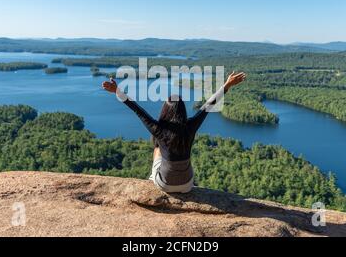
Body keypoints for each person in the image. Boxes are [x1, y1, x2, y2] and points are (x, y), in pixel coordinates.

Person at [102, 71, 246, 193]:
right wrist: (227, 85)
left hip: (164, 185)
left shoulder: (159, 129)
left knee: (157, 150)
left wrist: (117, 91)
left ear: (165, 110)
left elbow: (137, 109)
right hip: (188, 185)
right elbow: (209, 105)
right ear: (182, 111)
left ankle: (153, 178)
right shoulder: (191, 126)